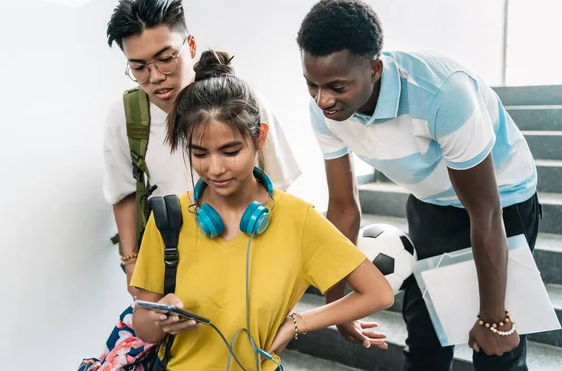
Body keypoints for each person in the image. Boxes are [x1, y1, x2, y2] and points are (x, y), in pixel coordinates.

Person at [296, 0, 541, 371]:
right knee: (425, 338)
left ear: (375, 69)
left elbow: (486, 213)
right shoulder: (324, 110)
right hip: (433, 204)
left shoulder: (442, 94)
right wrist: (338, 306)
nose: (323, 99)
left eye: (337, 86)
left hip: (503, 203)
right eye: (312, 84)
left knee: (497, 351)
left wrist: (495, 319)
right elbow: (344, 210)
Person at [130, 49, 395, 371]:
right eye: (199, 154)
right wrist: (160, 319)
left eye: (230, 152)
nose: (215, 169)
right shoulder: (169, 219)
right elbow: (142, 326)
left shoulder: (298, 219)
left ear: (260, 137)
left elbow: (378, 293)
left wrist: (298, 322)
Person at [103, 0, 301, 297]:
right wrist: (132, 263)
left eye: (166, 59)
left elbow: (280, 188)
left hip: (246, 259)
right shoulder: (124, 118)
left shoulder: (244, 103)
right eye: (139, 67)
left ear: (190, 46)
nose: (155, 77)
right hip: (174, 269)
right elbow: (123, 193)